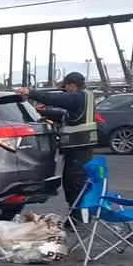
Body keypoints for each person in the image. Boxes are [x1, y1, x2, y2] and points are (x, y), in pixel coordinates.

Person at [16, 72, 98, 207]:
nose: (66, 91)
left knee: (75, 183)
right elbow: (67, 115)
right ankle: (77, 217)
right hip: (81, 147)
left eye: (66, 88)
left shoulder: (78, 96)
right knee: (72, 181)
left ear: (72, 85)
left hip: (79, 148)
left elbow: (55, 99)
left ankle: (79, 219)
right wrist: (43, 112)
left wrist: (30, 93)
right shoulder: (86, 96)